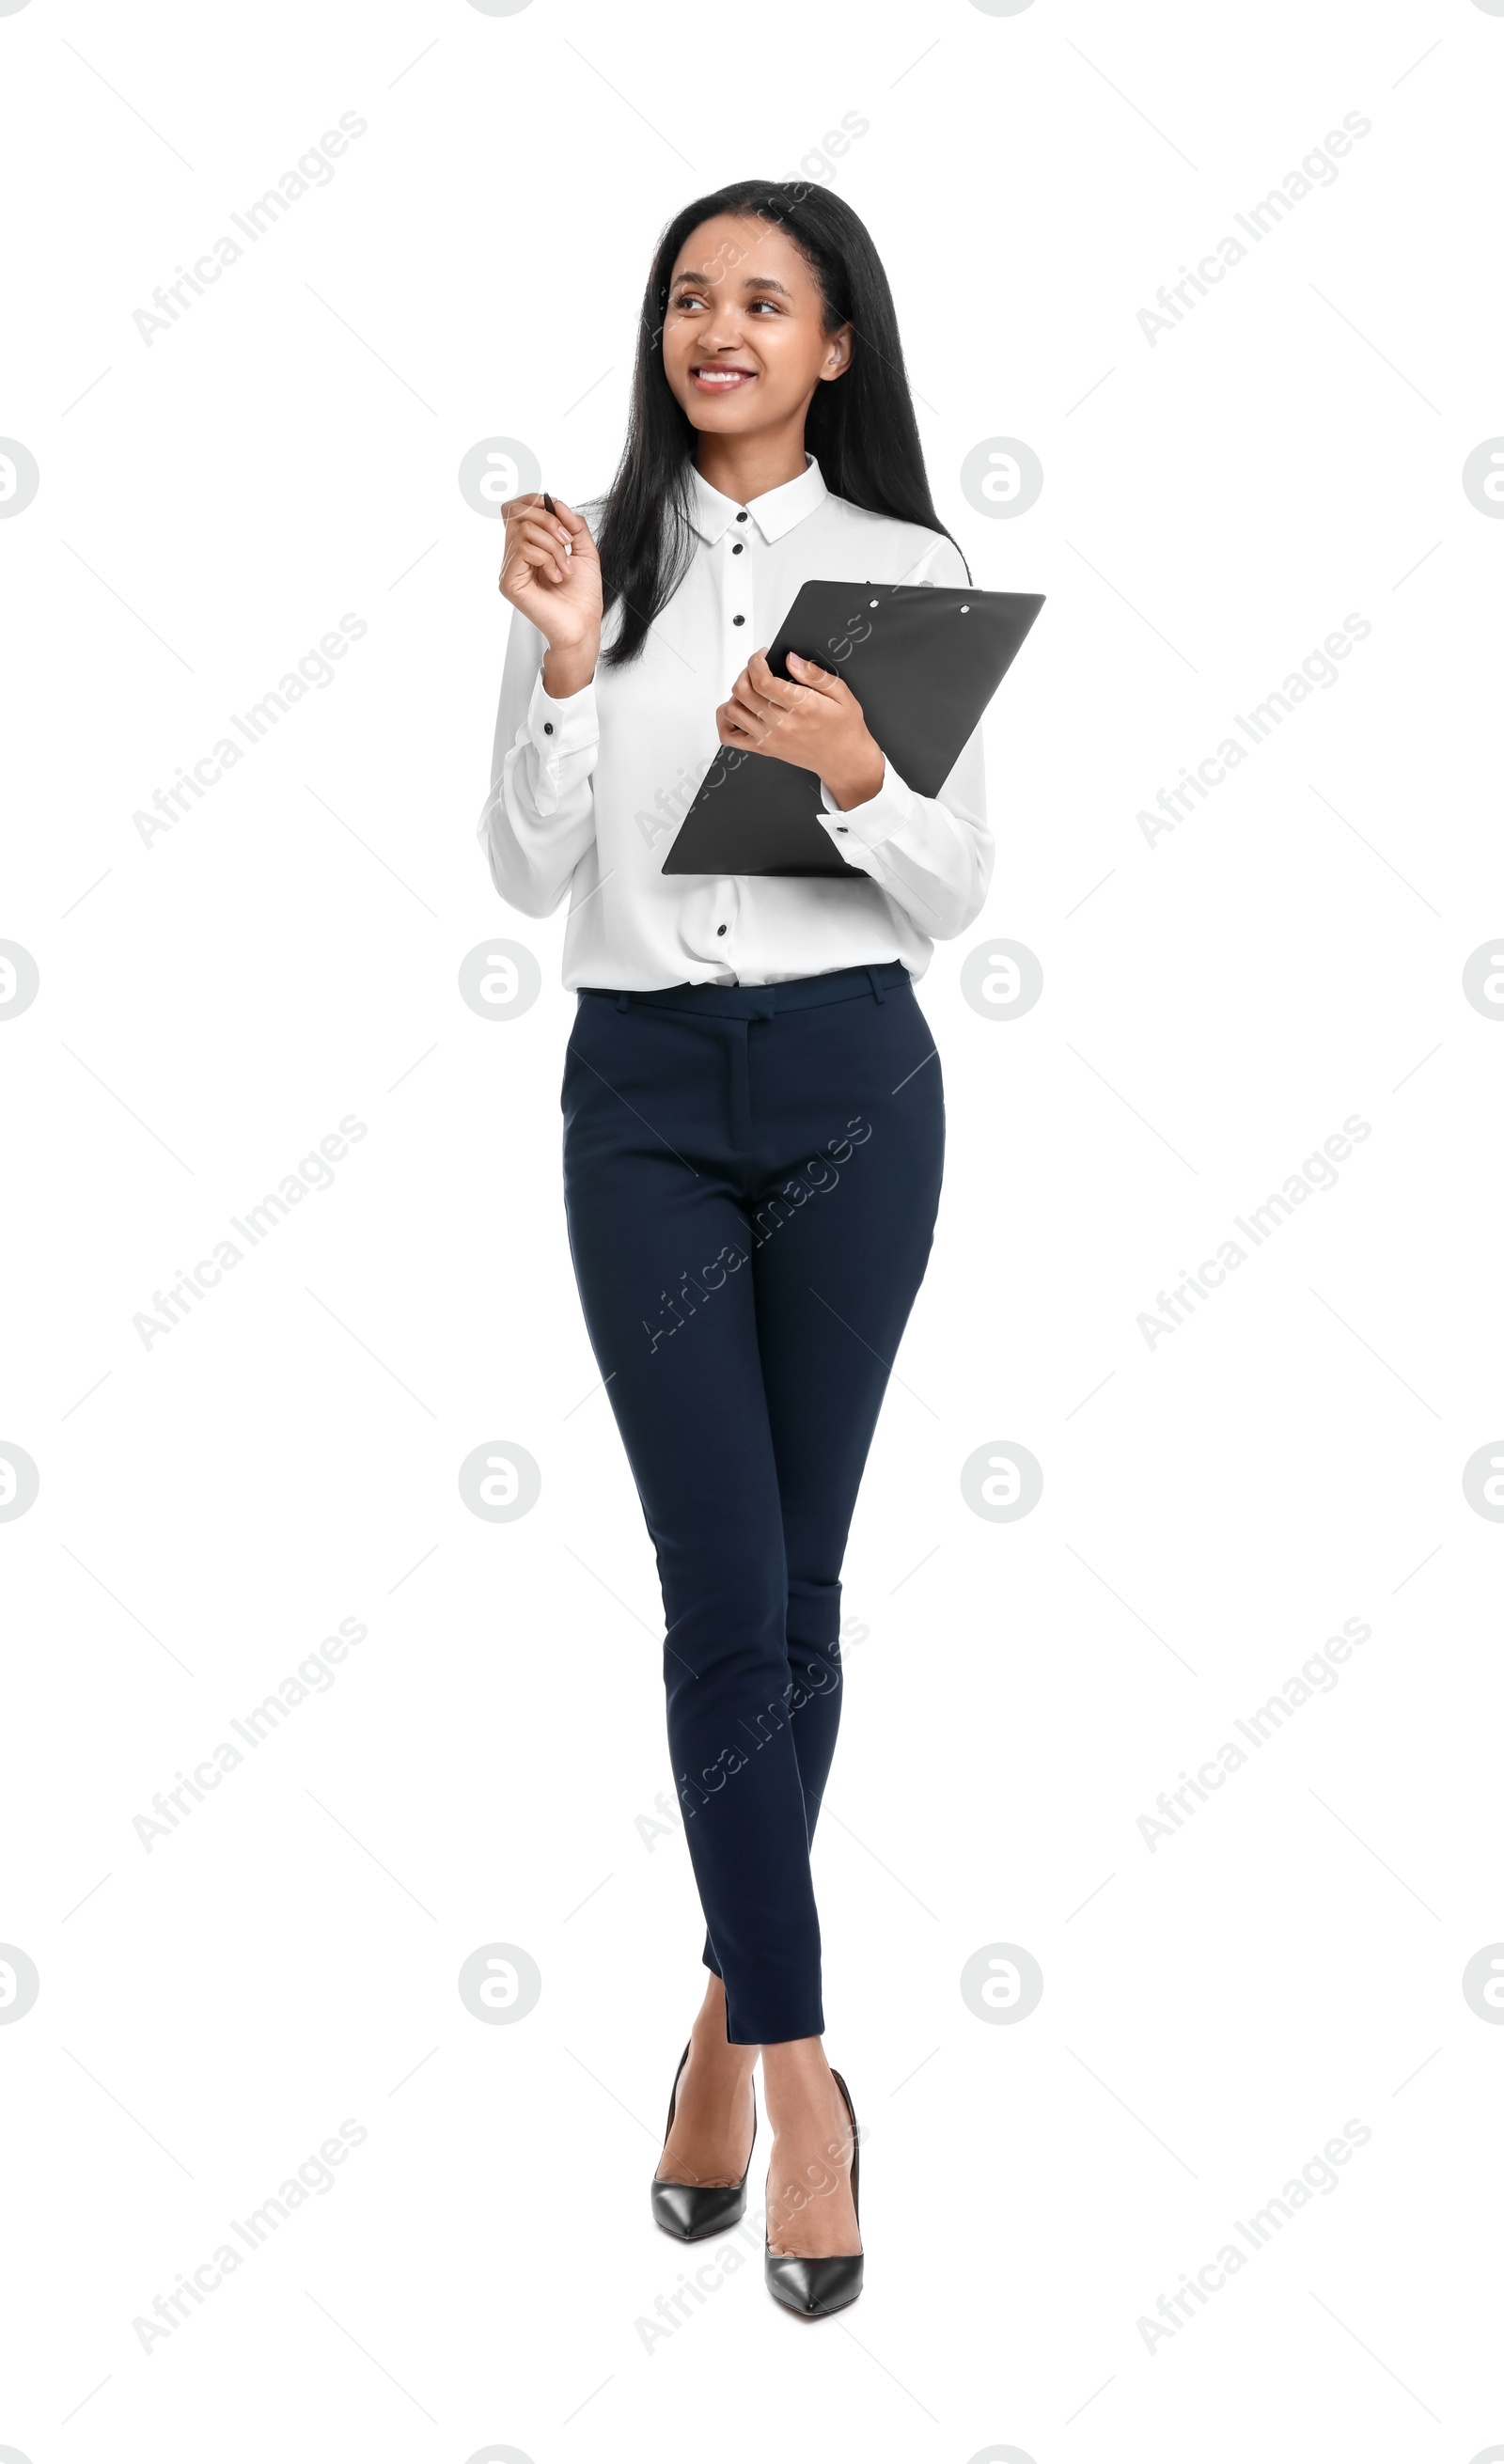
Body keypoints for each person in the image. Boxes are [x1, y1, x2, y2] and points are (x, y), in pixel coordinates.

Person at [478, 179, 990, 2316]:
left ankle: (710, 2025)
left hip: (855, 1091)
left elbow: (953, 893)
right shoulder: (593, 557)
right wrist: (571, 667)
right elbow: (523, 866)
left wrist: (865, 774)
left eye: (761, 302)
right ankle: (800, 2082)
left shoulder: (906, 571)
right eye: (689, 297)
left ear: (834, 345)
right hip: (645, 1112)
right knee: (717, 1582)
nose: (716, 328)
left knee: (793, 1589)